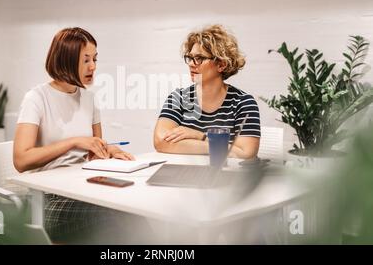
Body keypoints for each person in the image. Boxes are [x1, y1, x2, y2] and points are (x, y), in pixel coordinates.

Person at [13, 27, 137, 243]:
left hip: (83, 187)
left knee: (133, 209)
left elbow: (94, 154)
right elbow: (21, 160)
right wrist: (73, 142)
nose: (93, 67)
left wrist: (108, 150)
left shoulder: (89, 99)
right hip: (48, 199)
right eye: (86, 60)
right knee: (113, 217)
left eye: (95, 59)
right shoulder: (36, 98)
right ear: (66, 60)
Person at [154, 24, 261, 158]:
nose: (191, 63)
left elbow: (246, 153)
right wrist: (222, 146)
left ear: (221, 64)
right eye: (190, 57)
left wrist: (200, 136)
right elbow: (160, 142)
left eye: (200, 58)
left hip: (226, 176)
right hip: (186, 173)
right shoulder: (178, 98)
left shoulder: (243, 103)